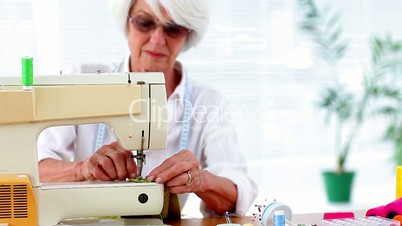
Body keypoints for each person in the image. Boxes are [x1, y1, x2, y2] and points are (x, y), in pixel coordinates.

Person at [37, 0, 257, 217]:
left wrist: (201, 180)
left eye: (174, 28)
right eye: (145, 23)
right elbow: (34, 169)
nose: (158, 40)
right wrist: (82, 170)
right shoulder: (80, 80)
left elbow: (238, 191)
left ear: (188, 33)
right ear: (127, 21)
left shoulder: (208, 104)